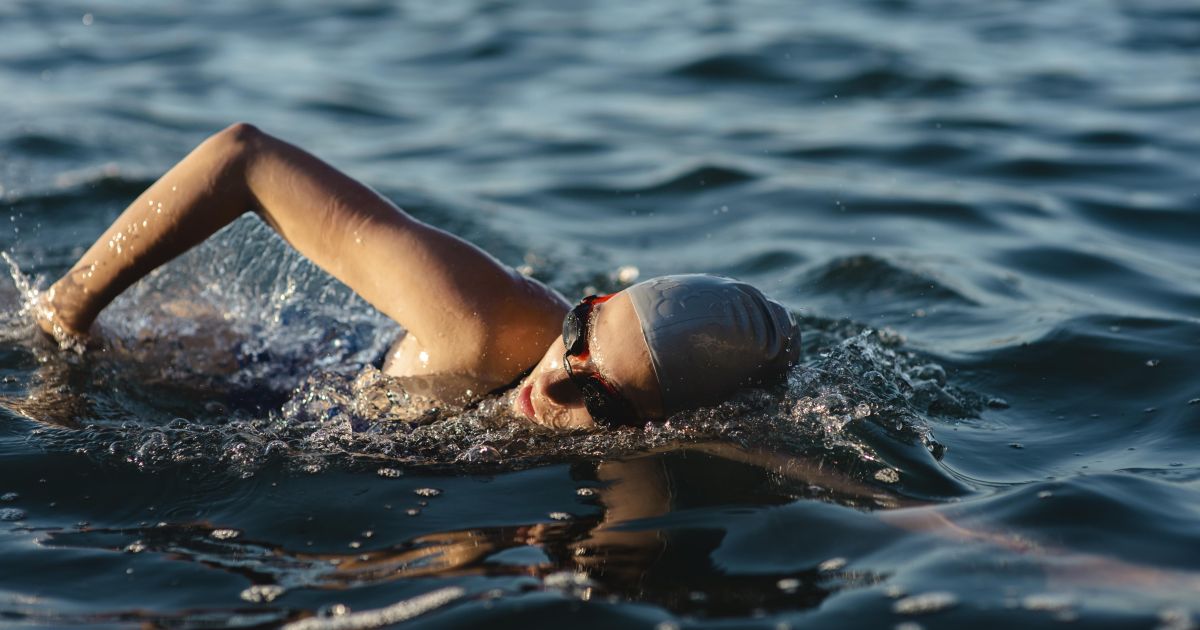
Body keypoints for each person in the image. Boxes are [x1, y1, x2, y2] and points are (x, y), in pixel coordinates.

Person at [34, 123, 800, 430]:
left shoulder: (675, 430)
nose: (554, 387)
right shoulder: (486, 324)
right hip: (231, 368)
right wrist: (66, 319)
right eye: (578, 335)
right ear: (587, 303)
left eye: (598, 396)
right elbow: (243, 158)